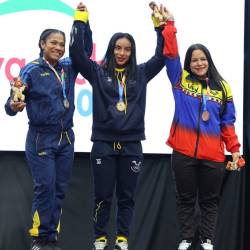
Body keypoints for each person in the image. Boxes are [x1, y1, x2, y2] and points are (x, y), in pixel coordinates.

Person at [69, 3, 165, 250]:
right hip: (103, 143)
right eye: (118, 48)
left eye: (127, 49)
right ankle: (100, 239)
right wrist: (80, 20)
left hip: (132, 144)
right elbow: (77, 54)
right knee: (102, 196)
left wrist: (159, 26)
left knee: (127, 197)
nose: (122, 53)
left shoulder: (141, 73)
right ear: (112, 49)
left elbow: (162, 56)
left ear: (132, 52)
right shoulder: (98, 72)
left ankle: (122, 239)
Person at [4, 4, 92, 250]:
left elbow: (83, 50)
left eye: (61, 44)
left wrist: (83, 21)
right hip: (41, 138)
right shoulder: (31, 70)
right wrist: (13, 105)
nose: (58, 47)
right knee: (45, 187)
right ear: (42, 43)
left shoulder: (68, 66)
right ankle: (39, 239)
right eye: (53, 42)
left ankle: (51, 238)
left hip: (66, 138)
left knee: (60, 190)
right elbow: (12, 105)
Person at [160, 5, 242, 250]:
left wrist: (235, 149)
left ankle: (207, 240)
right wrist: (170, 26)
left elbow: (227, 122)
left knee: (209, 200)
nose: (198, 63)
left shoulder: (223, 87)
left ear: (209, 60)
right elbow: (170, 55)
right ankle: (186, 239)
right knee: (185, 199)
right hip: (183, 152)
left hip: (213, 156)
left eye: (202, 59)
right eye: (194, 60)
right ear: (189, 63)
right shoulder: (180, 79)